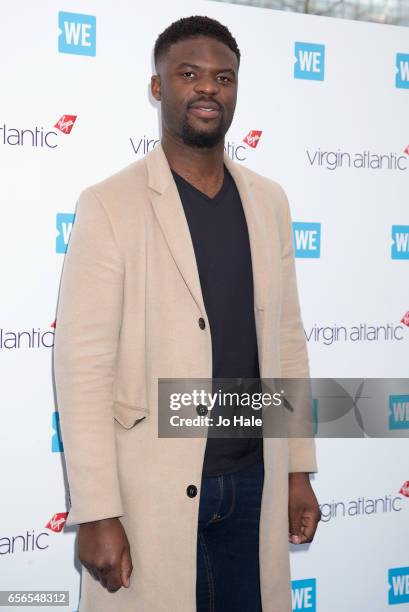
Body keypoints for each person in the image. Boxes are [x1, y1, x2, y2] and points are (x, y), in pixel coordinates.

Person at [53, 15, 321, 612]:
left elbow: (286, 340)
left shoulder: (269, 201)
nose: (208, 88)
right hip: (151, 487)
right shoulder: (109, 204)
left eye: (222, 77)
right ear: (157, 88)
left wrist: (297, 468)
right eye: (189, 74)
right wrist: (97, 510)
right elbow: (83, 367)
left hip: (255, 478)